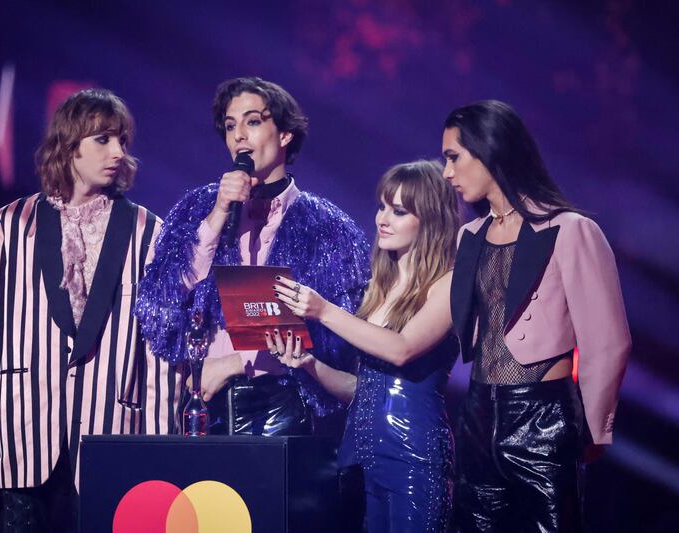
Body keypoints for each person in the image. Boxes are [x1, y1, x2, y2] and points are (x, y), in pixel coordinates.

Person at [0, 89, 181, 532]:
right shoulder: (14, 222)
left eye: (122, 140)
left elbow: (159, 351)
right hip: (25, 433)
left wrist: (161, 448)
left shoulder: (148, 230)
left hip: (112, 432)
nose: (118, 152)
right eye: (103, 139)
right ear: (69, 145)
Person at [134, 77, 371, 435]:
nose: (239, 135)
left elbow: (331, 339)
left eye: (253, 121)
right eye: (230, 126)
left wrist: (235, 362)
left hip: (285, 406)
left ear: (285, 134)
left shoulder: (327, 227)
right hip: (204, 404)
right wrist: (217, 215)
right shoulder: (200, 208)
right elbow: (165, 295)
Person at [441, 100, 631, 532]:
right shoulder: (469, 236)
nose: (447, 172)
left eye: (454, 157)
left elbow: (607, 341)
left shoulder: (570, 229)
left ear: (490, 149)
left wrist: (595, 430)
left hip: (541, 418)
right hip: (477, 414)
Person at [269, 160, 460, 532]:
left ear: (431, 220)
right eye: (382, 207)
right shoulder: (379, 287)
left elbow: (401, 349)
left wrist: (323, 310)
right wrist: (310, 364)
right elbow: (363, 389)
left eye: (399, 211)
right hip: (365, 456)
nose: (382, 219)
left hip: (414, 456)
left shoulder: (448, 283)